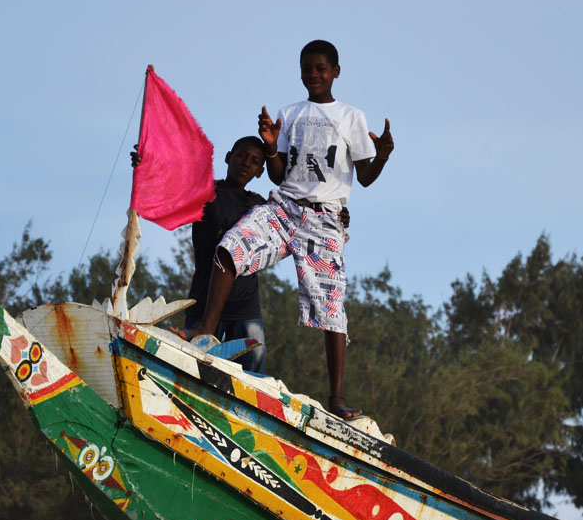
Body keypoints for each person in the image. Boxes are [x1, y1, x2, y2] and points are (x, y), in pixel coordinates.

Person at [187, 39, 394, 420]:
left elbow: (363, 178)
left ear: (335, 72)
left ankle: (336, 397)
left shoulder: (351, 117)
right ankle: (205, 331)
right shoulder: (291, 113)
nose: (312, 75)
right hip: (285, 207)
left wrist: (380, 157)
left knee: (331, 307)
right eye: (306, 69)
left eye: (320, 69)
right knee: (230, 248)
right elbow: (280, 173)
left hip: (325, 218)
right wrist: (269, 147)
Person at [137, 136, 270, 373]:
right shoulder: (207, 193)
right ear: (229, 157)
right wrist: (147, 165)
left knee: (253, 378)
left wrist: (337, 216)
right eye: (241, 156)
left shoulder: (259, 206)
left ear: (260, 171)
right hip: (204, 301)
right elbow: (169, 190)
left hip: (245, 307)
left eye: (254, 161)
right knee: (191, 370)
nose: (246, 163)